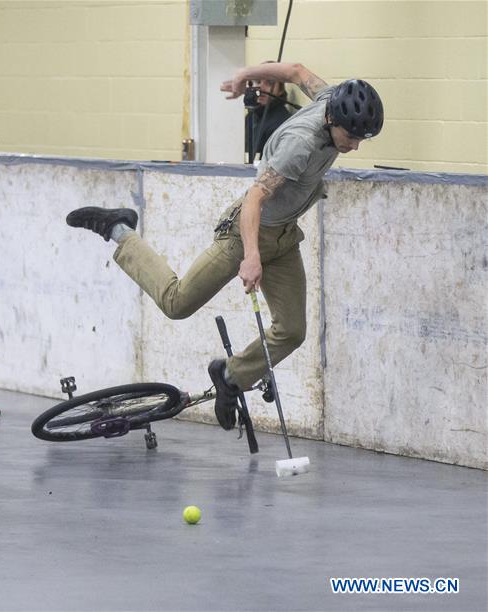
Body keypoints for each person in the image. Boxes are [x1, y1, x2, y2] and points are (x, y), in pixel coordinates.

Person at [65, 62, 383, 432]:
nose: (355, 145)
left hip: (283, 236)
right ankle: (119, 229)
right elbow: (254, 199)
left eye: (362, 137)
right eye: (351, 136)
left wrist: (244, 74)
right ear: (332, 120)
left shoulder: (331, 99)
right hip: (245, 232)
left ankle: (230, 377)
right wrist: (250, 257)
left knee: (292, 330)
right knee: (177, 302)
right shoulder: (300, 144)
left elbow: (296, 71)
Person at [244, 66, 295, 163]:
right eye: (258, 82)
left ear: (280, 90)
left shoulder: (282, 123)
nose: (261, 87)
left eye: (270, 83)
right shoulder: (251, 116)